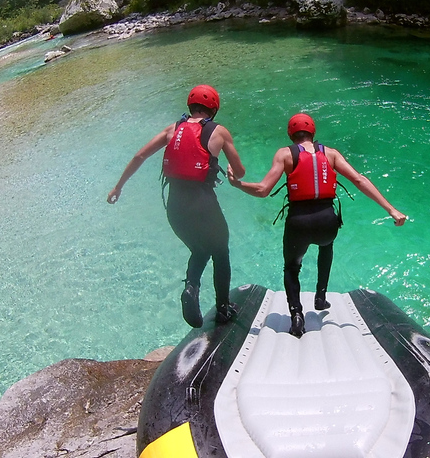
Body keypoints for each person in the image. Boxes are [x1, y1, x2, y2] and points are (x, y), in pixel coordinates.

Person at [229, 113, 406, 337]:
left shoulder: (285, 154)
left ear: (290, 134)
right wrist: (391, 209)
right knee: (327, 245)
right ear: (313, 133)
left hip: (298, 223)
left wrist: (238, 184)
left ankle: (296, 315)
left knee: (292, 269)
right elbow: (359, 180)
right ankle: (321, 297)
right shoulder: (330, 154)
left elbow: (263, 190)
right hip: (326, 222)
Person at [107, 85, 246, 328]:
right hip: (203, 205)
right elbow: (240, 170)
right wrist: (235, 173)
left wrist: (118, 187)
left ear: (189, 106)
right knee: (220, 253)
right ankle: (223, 308)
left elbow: (140, 156)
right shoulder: (219, 132)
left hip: (175, 207)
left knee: (200, 249)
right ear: (214, 109)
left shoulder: (173, 129)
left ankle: (191, 286)